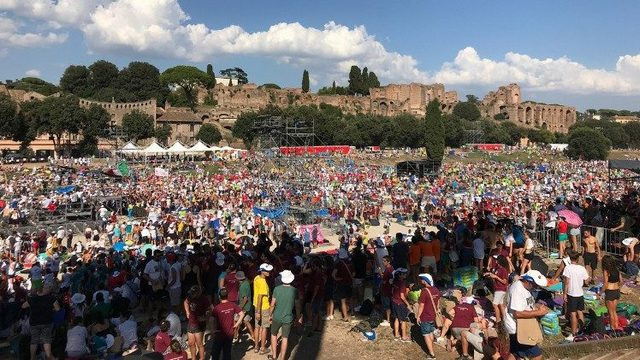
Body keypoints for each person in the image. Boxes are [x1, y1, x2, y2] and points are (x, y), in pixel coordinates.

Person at [504, 269, 548, 360]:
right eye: (535, 285)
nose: (535, 288)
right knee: (537, 355)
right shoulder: (517, 289)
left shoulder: (526, 288)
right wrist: (539, 312)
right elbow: (517, 313)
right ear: (528, 281)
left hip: (522, 326)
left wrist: (537, 306)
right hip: (518, 328)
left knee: (516, 354)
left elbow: (525, 304)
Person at [269, 270, 302, 360]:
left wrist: (270, 314)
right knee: (285, 338)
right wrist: (298, 317)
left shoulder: (277, 289)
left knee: (273, 334)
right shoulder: (295, 290)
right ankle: (283, 358)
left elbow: (272, 304)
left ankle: (274, 355)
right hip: (288, 317)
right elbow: (298, 306)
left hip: (276, 316)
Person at [22, 285, 57, 360]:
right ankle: (48, 356)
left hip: (34, 322)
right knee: (46, 340)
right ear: (44, 290)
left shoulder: (32, 299)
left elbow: (23, 306)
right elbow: (57, 308)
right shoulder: (51, 298)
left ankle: (32, 358)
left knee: (34, 340)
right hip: (46, 322)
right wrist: (51, 309)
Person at [211, 288, 244, 360]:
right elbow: (242, 314)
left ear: (219, 297)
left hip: (219, 333)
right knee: (227, 352)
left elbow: (213, 320)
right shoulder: (233, 305)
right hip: (229, 333)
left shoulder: (217, 308)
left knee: (215, 353)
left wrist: (212, 330)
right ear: (227, 295)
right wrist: (236, 325)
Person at [562, 250, 589, 341]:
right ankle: (582, 330)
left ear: (570, 258)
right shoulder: (582, 268)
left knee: (573, 314)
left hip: (571, 293)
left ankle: (574, 334)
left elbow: (566, 282)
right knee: (580, 312)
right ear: (577, 259)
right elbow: (587, 280)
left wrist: (564, 294)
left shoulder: (568, 268)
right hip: (580, 293)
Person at [184, 286, 210, 360]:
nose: (191, 295)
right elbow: (185, 302)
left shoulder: (204, 299)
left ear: (198, 293)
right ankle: (193, 358)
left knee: (199, 344)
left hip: (199, 325)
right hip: (191, 323)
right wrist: (187, 312)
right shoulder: (190, 297)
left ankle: (202, 358)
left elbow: (209, 310)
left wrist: (205, 318)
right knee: (191, 343)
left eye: (193, 293)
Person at [417, 273, 439, 360]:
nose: (421, 280)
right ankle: (431, 348)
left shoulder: (424, 291)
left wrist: (418, 316)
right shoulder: (436, 289)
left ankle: (432, 354)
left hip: (425, 316)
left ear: (425, 281)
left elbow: (421, 305)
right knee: (430, 332)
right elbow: (437, 302)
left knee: (426, 334)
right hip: (432, 315)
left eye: (422, 279)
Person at [254, 263, 273, 355]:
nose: (269, 272)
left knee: (257, 327)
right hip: (263, 307)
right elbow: (260, 297)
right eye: (267, 270)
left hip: (256, 307)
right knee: (264, 328)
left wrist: (257, 310)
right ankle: (262, 348)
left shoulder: (256, 278)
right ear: (262, 271)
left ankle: (256, 347)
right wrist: (258, 312)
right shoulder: (262, 282)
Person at [486, 255, 509, 323]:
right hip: (498, 288)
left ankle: (498, 320)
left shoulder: (503, 270)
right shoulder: (497, 268)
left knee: (494, 304)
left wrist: (496, 277)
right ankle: (505, 318)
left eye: (497, 260)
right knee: (500, 303)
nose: (495, 261)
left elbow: (504, 281)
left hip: (500, 289)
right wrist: (490, 274)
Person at [602, 255, 622, 330]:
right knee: (614, 311)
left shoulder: (606, 270)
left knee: (610, 312)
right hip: (617, 291)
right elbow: (621, 281)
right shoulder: (617, 269)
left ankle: (612, 328)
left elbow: (605, 283)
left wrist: (600, 293)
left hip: (610, 292)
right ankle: (616, 327)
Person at [391, 268, 411, 342]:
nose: (405, 275)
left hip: (394, 301)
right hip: (400, 303)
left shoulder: (395, 281)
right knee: (403, 320)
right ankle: (404, 336)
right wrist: (408, 304)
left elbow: (392, 291)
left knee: (396, 318)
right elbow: (402, 296)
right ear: (399, 275)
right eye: (403, 274)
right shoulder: (402, 283)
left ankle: (396, 335)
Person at [333, 248, 353, 322]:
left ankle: (345, 316)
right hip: (349, 283)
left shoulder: (338, 264)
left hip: (342, 284)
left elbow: (333, 274)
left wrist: (337, 279)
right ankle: (352, 313)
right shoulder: (350, 262)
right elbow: (353, 273)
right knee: (350, 298)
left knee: (343, 301)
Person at [235, 271, 255, 344]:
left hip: (244, 307)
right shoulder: (247, 282)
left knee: (237, 321)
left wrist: (240, 307)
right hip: (248, 306)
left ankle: (235, 336)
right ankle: (253, 336)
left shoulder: (242, 286)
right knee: (246, 321)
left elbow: (245, 299)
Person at [379, 255, 394, 326]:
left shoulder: (388, 270)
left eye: (384, 261)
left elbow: (384, 280)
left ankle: (387, 320)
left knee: (386, 305)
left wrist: (380, 273)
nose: (383, 262)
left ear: (388, 262)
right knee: (388, 305)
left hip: (386, 290)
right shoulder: (391, 268)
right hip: (389, 290)